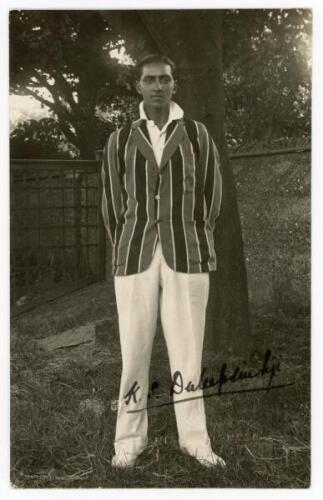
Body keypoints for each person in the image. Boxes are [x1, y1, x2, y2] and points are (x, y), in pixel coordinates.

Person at [101, 54, 225, 469]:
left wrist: (195, 235)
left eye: (165, 79)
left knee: (187, 352)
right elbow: (113, 205)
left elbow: (212, 195)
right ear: (138, 86)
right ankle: (128, 441)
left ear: (174, 85)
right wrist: (128, 241)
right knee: (134, 351)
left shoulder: (197, 135)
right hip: (135, 254)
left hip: (186, 253)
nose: (157, 86)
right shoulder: (120, 139)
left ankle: (195, 441)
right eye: (150, 79)